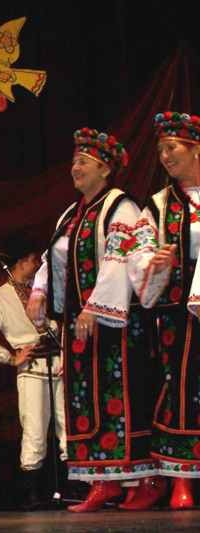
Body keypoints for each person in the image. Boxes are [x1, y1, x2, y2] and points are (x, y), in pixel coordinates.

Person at [27, 128, 174, 513]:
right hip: (81, 323)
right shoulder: (71, 214)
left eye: (83, 162)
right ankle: (103, 480)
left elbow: (118, 260)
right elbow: (53, 257)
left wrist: (95, 307)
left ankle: (144, 479)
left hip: (117, 323)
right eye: (74, 161)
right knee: (85, 400)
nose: (74, 168)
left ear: (105, 169)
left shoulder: (120, 207)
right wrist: (40, 291)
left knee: (122, 397)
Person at [0, 238, 66, 510]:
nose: (38, 264)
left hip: (60, 364)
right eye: (33, 259)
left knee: (68, 429)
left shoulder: (43, 291)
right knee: (35, 431)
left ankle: (73, 486)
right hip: (31, 370)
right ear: (20, 262)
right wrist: (11, 357)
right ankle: (31, 494)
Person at [147, 111, 200, 509]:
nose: (165, 157)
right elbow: (136, 253)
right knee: (181, 385)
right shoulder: (160, 204)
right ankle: (182, 476)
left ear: (195, 149)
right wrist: (156, 260)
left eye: (172, 148)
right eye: (161, 150)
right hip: (180, 310)